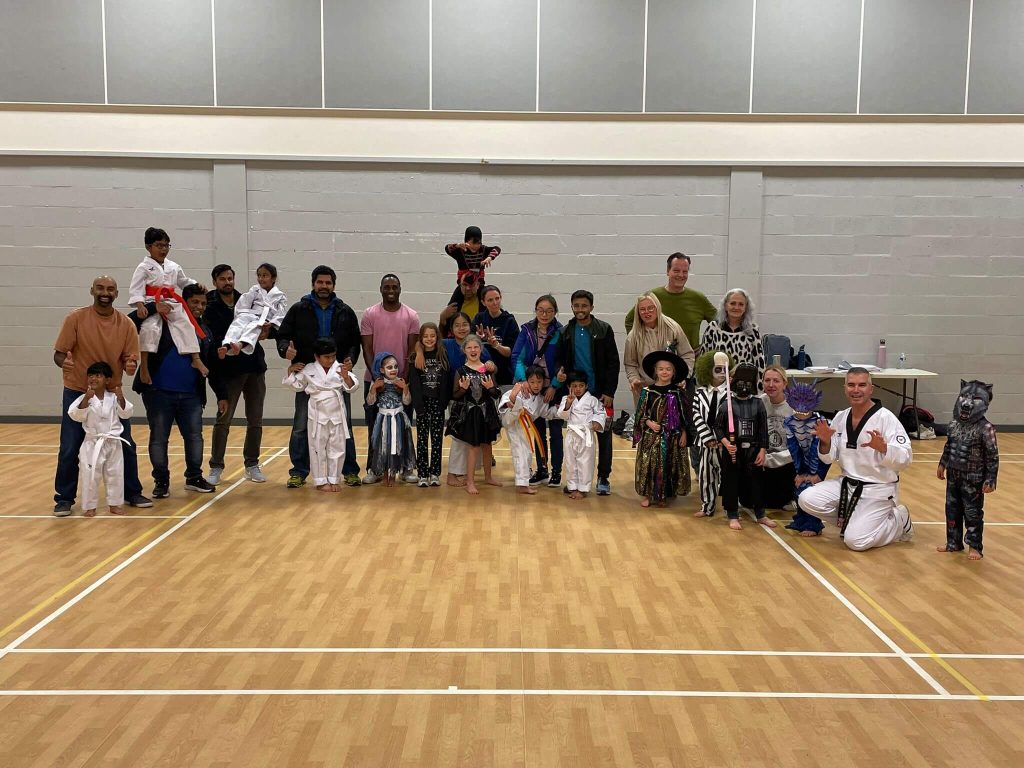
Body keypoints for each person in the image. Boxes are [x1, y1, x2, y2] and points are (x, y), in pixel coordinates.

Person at [53, 276, 151, 516]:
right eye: (100, 288)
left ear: (116, 294)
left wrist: (130, 365)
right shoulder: (75, 319)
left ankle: (132, 492)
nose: (104, 292)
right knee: (70, 446)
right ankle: (64, 498)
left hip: (112, 393)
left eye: (110, 289)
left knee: (125, 443)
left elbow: (131, 359)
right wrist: (63, 363)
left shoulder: (126, 324)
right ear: (92, 291)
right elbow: (58, 354)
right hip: (78, 391)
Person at [797, 368, 915, 551]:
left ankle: (899, 521)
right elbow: (829, 458)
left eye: (862, 385)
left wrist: (884, 448)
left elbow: (906, 458)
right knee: (806, 498)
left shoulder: (886, 418)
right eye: (851, 385)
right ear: (845, 388)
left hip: (877, 488)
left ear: (871, 389)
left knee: (856, 542)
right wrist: (825, 442)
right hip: (847, 484)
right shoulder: (841, 417)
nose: (856, 390)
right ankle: (855, 522)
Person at [277, 266, 362, 488]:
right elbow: (283, 335)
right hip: (309, 374)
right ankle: (299, 471)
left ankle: (350, 470)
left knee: (344, 427)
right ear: (313, 283)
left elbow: (354, 341)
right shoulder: (298, 309)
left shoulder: (345, 311)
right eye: (320, 282)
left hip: (336, 376)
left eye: (328, 283)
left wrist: (350, 359)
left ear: (334, 285)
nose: (324, 286)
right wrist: (286, 350)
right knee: (300, 427)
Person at [131, 284, 216, 498]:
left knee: (195, 437)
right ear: (182, 303)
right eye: (195, 302)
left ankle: (194, 477)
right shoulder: (157, 321)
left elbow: (212, 364)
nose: (199, 307)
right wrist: (153, 307)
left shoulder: (203, 330)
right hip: (158, 392)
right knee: (159, 437)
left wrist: (221, 393)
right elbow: (131, 319)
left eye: (203, 303)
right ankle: (161, 480)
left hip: (191, 394)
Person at [204, 264, 271, 485]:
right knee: (223, 420)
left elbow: (262, 326)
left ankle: (252, 463)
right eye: (222, 279)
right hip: (229, 371)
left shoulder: (247, 300)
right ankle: (216, 466)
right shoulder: (210, 306)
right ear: (215, 282)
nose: (227, 282)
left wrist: (265, 331)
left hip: (254, 367)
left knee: (255, 420)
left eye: (230, 278)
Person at [555, 290, 619, 496]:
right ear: (572, 307)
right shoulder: (566, 332)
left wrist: (609, 391)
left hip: (600, 392)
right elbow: (560, 360)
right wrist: (562, 375)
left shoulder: (604, 330)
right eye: (576, 306)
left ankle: (603, 478)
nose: (580, 309)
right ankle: (574, 481)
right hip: (577, 393)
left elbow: (613, 363)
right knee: (576, 440)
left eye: (584, 306)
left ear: (592, 307)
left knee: (604, 434)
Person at [360, 274, 420, 484]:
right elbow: (367, 348)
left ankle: (405, 468)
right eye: (387, 287)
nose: (391, 290)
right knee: (375, 428)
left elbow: (412, 351)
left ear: (400, 288)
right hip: (375, 380)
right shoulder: (369, 314)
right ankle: (374, 469)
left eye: (394, 286)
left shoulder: (411, 315)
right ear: (381, 289)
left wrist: (399, 380)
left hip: (402, 381)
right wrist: (380, 379)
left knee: (402, 427)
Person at [129, 227, 208, 382]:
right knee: (149, 329)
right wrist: (140, 305)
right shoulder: (143, 267)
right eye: (159, 245)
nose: (163, 249)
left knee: (187, 324)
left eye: (166, 245)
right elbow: (136, 288)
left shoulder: (173, 266)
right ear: (148, 247)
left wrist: (197, 284)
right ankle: (144, 367)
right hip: (152, 301)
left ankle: (196, 358)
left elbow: (184, 282)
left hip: (172, 302)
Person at [283, 338, 360, 493]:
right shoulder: (309, 369)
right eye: (326, 357)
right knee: (317, 447)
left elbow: (352, 387)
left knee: (337, 447)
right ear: (317, 357)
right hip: (317, 414)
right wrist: (290, 372)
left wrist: (345, 377)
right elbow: (296, 386)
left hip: (336, 412)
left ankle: (334, 479)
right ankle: (320, 480)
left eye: (333, 356)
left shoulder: (340, 368)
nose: (330, 360)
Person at [937, 379, 999, 560]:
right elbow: (949, 446)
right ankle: (953, 542)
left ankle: (975, 546)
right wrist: (942, 463)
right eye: (963, 396)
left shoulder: (986, 428)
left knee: (972, 513)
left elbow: (992, 456)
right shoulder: (954, 424)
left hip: (973, 477)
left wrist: (991, 479)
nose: (967, 402)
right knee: (951, 510)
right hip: (953, 475)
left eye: (975, 398)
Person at [623, 291, 695, 438]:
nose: (646, 312)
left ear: (657, 308)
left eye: (651, 308)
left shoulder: (673, 328)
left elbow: (687, 354)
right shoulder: (633, 336)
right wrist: (634, 379)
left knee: (672, 433)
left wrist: (683, 376)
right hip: (646, 390)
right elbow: (630, 364)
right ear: (638, 312)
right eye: (642, 309)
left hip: (671, 390)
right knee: (648, 434)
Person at [714, 363, 776, 531]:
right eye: (740, 382)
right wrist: (726, 443)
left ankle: (760, 513)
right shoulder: (727, 404)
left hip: (754, 450)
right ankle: (732, 514)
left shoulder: (758, 404)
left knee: (756, 482)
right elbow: (718, 427)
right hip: (733, 450)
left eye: (748, 383)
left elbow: (763, 429)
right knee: (731, 480)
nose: (744, 386)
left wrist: (763, 450)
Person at [67, 362, 134, 517]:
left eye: (98, 376)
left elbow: (126, 413)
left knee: (115, 473)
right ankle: (89, 506)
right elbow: (76, 415)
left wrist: (121, 398)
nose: (93, 379)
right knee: (90, 474)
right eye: (90, 376)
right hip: (92, 442)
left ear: (108, 380)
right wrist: (86, 399)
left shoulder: (113, 398)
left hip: (113, 442)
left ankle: (115, 504)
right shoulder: (85, 399)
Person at [511, 294, 564, 488]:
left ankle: (557, 471)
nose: (544, 314)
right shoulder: (526, 330)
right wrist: (524, 381)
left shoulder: (560, 331)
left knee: (556, 430)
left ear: (555, 313)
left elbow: (563, 362)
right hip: (532, 386)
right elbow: (517, 356)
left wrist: (555, 386)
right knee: (537, 429)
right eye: (541, 310)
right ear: (535, 310)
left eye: (549, 311)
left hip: (553, 387)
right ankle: (542, 469)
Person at [437, 312, 495, 487]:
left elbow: (489, 368)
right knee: (459, 438)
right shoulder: (446, 344)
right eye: (457, 325)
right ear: (451, 329)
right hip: (456, 396)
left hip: (476, 401)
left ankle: (468, 473)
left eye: (464, 324)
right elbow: (426, 344)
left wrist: (493, 366)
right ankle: (453, 474)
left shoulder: (477, 346)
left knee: (473, 440)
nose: (461, 328)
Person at [632, 351, 691, 508]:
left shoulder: (678, 392)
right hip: (651, 436)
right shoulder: (648, 392)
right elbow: (640, 415)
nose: (665, 372)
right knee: (649, 464)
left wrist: (684, 432)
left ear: (673, 372)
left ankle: (663, 495)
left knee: (667, 464)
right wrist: (649, 423)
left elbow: (685, 415)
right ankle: (648, 494)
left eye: (668, 369)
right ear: (655, 371)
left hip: (672, 436)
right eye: (661, 369)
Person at [625, 253, 716, 353]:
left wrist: (706, 347)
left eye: (685, 271)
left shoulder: (698, 299)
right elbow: (630, 321)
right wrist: (642, 346)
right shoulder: (652, 297)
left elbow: (720, 323)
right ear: (668, 271)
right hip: (659, 363)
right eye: (676, 271)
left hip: (690, 362)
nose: (681, 275)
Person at [446, 334, 503, 495]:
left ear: (481, 349)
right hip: (470, 413)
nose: (473, 350)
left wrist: (491, 387)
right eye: (469, 347)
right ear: (464, 350)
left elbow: (496, 393)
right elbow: (455, 395)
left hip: (486, 411)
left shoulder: (487, 369)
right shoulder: (461, 371)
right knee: (473, 446)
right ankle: (470, 481)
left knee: (487, 445)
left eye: (476, 347)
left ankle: (488, 477)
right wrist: (463, 388)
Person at [499, 366, 562, 495]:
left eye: (539, 382)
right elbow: (503, 408)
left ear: (544, 382)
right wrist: (512, 398)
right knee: (520, 453)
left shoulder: (540, 400)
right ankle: (522, 484)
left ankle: (524, 479)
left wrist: (562, 408)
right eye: (532, 382)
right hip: (514, 424)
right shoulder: (520, 391)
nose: (536, 385)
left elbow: (548, 413)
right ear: (527, 381)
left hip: (525, 429)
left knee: (526, 453)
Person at [782, 382, 829, 536]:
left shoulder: (820, 422)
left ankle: (813, 524)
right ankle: (801, 520)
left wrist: (815, 473)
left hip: (821, 460)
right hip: (802, 461)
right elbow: (793, 447)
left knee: (810, 487)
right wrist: (800, 472)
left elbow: (820, 449)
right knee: (799, 487)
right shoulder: (789, 422)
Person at [699, 288, 766, 392]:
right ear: (725, 306)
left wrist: (759, 390)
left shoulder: (753, 330)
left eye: (741, 304)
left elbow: (759, 363)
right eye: (732, 303)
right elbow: (703, 359)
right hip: (718, 387)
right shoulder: (713, 328)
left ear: (746, 308)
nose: (736, 307)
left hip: (744, 388)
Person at [366, 352, 416, 487]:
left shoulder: (401, 382)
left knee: (398, 445)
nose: (393, 369)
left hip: (398, 419)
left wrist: (405, 389)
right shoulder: (377, 382)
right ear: (381, 370)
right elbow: (370, 403)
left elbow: (407, 402)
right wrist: (373, 389)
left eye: (395, 366)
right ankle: (383, 474)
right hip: (383, 419)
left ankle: (395, 473)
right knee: (383, 446)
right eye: (389, 367)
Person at [407, 322, 448, 487]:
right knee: (422, 440)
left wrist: (443, 404)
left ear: (437, 337)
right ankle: (423, 474)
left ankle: (435, 473)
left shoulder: (442, 355)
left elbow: (445, 382)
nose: (429, 339)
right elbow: (415, 385)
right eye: (425, 336)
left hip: (438, 404)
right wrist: (419, 406)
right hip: (423, 404)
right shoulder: (415, 358)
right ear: (421, 338)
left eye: (432, 336)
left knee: (437, 441)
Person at [217, 263, 288, 358]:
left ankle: (240, 345)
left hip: (265, 320)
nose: (261, 279)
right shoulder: (255, 289)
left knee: (253, 328)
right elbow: (244, 301)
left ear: (273, 278)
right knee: (237, 323)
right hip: (251, 314)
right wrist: (241, 314)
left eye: (265, 276)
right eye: (259, 276)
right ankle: (226, 345)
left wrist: (272, 323)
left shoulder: (280, 296)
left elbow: (281, 313)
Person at [555, 370, 606, 500]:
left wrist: (596, 422)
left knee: (585, 462)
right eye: (574, 386)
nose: (577, 389)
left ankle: (582, 488)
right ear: (569, 387)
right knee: (570, 462)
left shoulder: (593, 400)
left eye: (581, 386)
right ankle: (572, 485)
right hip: (572, 434)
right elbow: (561, 415)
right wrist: (568, 404)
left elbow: (601, 412)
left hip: (586, 435)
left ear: (586, 386)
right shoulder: (566, 399)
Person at [692, 351, 729, 518]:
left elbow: (732, 417)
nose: (722, 373)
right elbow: (696, 416)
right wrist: (707, 439)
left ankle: (731, 508)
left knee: (728, 475)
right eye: (718, 369)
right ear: (708, 370)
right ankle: (707, 506)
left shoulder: (731, 393)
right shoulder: (699, 393)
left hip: (725, 443)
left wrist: (723, 438)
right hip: (705, 443)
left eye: (725, 369)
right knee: (706, 476)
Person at [758, 366, 797, 510]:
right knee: (751, 502)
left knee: (776, 503)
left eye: (776, 381)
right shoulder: (759, 403)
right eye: (767, 380)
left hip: (785, 461)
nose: (771, 385)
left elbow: (798, 447)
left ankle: (793, 494)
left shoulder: (794, 407)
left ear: (785, 384)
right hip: (764, 460)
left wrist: (773, 460)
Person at [471, 285, 520, 386]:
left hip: (504, 372)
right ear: (483, 302)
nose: (495, 303)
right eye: (490, 300)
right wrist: (477, 340)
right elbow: (469, 346)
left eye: (497, 298)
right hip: (481, 371)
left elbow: (511, 352)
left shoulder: (509, 320)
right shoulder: (479, 318)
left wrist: (497, 345)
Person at [444, 225, 501, 291]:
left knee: (482, 297)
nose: (476, 246)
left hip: (479, 284)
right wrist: (457, 245)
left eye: (479, 243)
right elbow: (447, 248)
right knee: (456, 299)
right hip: (463, 284)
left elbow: (497, 249)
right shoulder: (460, 250)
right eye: (474, 243)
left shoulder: (483, 249)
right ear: (467, 241)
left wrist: (490, 257)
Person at [439, 270, 484, 337]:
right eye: (465, 285)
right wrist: (442, 318)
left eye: (472, 285)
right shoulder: (453, 306)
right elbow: (441, 337)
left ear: (478, 285)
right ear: (460, 285)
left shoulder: (486, 303)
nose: (468, 288)